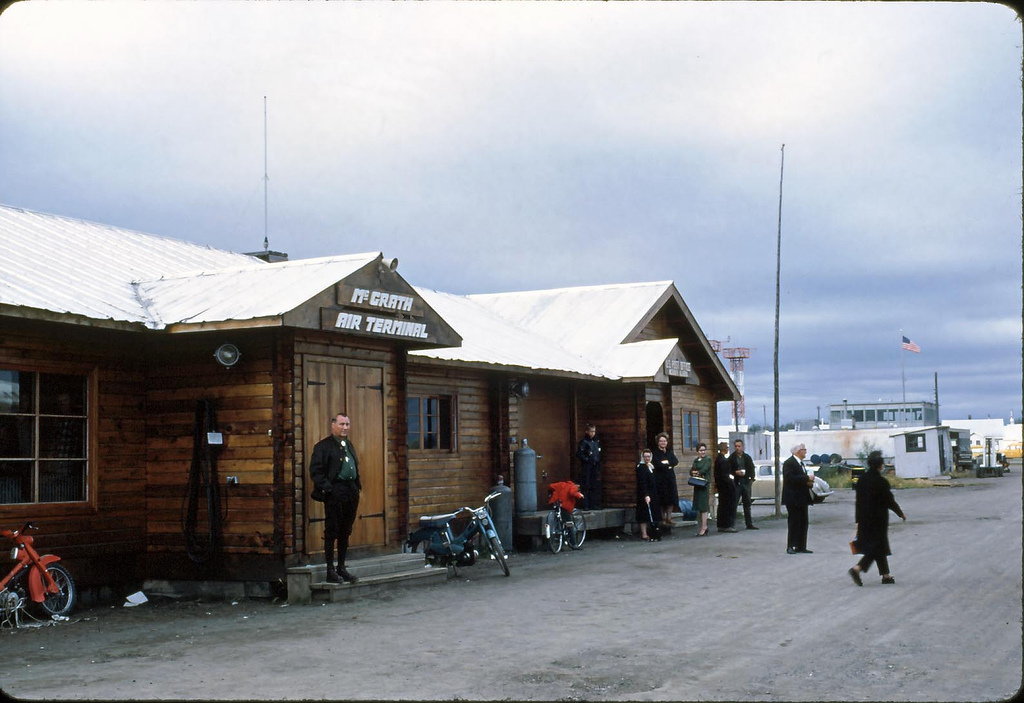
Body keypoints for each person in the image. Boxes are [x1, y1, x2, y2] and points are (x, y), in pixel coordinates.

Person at [309, 413, 361, 583]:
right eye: (341, 424)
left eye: (347, 424)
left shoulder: (348, 445)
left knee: (346, 530)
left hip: (350, 490)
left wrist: (356, 486)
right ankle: (330, 570)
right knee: (332, 530)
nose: (345, 427)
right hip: (335, 491)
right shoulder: (323, 446)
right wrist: (328, 488)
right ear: (333, 425)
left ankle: (342, 567)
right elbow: (316, 471)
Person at [849, 450, 906, 586]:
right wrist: (900, 513)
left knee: (878, 546)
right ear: (880, 466)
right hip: (878, 519)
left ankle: (886, 575)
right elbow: (889, 501)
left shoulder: (861, 480)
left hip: (864, 518)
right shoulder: (881, 482)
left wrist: (857, 520)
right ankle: (857, 568)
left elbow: (858, 501)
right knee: (877, 546)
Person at [782, 443, 815, 554]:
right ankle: (790, 545)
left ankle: (801, 546)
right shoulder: (789, 463)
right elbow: (790, 478)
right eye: (804, 450)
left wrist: (809, 483)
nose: (805, 452)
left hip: (802, 498)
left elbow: (800, 479)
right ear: (797, 451)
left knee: (803, 522)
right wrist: (806, 477)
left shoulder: (801, 464)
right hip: (793, 498)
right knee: (794, 522)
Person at [729, 439, 759, 530]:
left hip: (745, 483)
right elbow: (728, 470)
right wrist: (735, 473)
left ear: (743, 447)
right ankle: (731, 524)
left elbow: (751, 469)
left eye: (739, 446)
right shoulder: (731, 458)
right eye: (736, 446)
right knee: (734, 504)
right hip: (736, 483)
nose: (737, 448)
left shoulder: (747, 457)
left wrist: (750, 479)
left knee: (747, 504)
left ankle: (749, 524)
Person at [651, 432, 680, 529]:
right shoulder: (655, 453)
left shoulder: (669, 451)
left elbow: (675, 461)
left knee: (671, 498)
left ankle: (669, 517)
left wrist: (666, 463)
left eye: (664, 441)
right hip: (660, 479)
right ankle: (662, 518)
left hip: (670, 478)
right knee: (662, 499)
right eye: (661, 441)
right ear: (658, 442)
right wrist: (667, 464)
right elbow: (657, 464)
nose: (663, 443)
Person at [635, 449, 661, 541]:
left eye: (648, 456)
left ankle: (652, 533)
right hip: (644, 494)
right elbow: (642, 483)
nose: (647, 458)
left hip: (652, 493)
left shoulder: (650, 466)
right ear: (642, 457)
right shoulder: (640, 467)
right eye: (645, 456)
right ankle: (644, 534)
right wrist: (646, 495)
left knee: (651, 513)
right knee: (643, 514)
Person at [575, 423, 602, 510]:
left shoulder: (595, 441)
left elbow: (598, 453)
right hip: (586, 466)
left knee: (594, 485)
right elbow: (579, 454)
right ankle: (585, 505)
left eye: (594, 431)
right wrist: (587, 460)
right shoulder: (584, 442)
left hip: (595, 466)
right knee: (586, 485)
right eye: (591, 431)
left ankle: (593, 504)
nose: (593, 433)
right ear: (587, 431)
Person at [689, 442, 712, 536]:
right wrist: (693, 473)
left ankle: (704, 527)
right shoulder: (696, 460)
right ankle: (702, 526)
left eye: (704, 450)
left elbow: (705, 469)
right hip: (697, 484)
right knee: (698, 506)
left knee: (703, 506)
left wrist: (697, 472)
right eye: (700, 450)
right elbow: (691, 470)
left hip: (704, 484)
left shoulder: (708, 459)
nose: (702, 452)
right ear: (697, 451)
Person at [714, 441, 737, 532]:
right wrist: (731, 484)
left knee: (722, 505)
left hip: (720, 486)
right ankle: (727, 525)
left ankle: (721, 524)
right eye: (727, 447)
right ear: (724, 449)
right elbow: (725, 475)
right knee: (727, 506)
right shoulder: (723, 461)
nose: (728, 449)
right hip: (726, 487)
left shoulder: (718, 459)